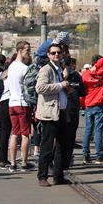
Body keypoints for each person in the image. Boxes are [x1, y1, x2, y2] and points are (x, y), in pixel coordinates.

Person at [35, 43, 72, 187]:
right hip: (49, 113)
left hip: (61, 111)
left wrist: (67, 88)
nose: (57, 55)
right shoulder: (46, 69)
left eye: (59, 53)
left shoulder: (60, 69)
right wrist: (60, 85)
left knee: (62, 146)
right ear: (48, 55)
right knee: (47, 146)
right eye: (53, 53)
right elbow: (40, 88)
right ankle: (42, 176)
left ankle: (58, 176)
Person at [6, 41, 33, 172]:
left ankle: (12, 163)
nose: (29, 52)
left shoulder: (11, 67)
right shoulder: (25, 68)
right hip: (23, 103)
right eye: (27, 50)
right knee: (25, 134)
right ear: (20, 51)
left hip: (12, 103)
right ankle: (24, 163)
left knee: (14, 133)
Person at [82, 55, 103, 162]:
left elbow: (82, 90)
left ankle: (85, 154)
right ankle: (99, 155)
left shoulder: (85, 74)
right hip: (98, 104)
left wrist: (83, 104)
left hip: (88, 104)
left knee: (88, 130)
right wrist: (99, 65)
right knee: (98, 131)